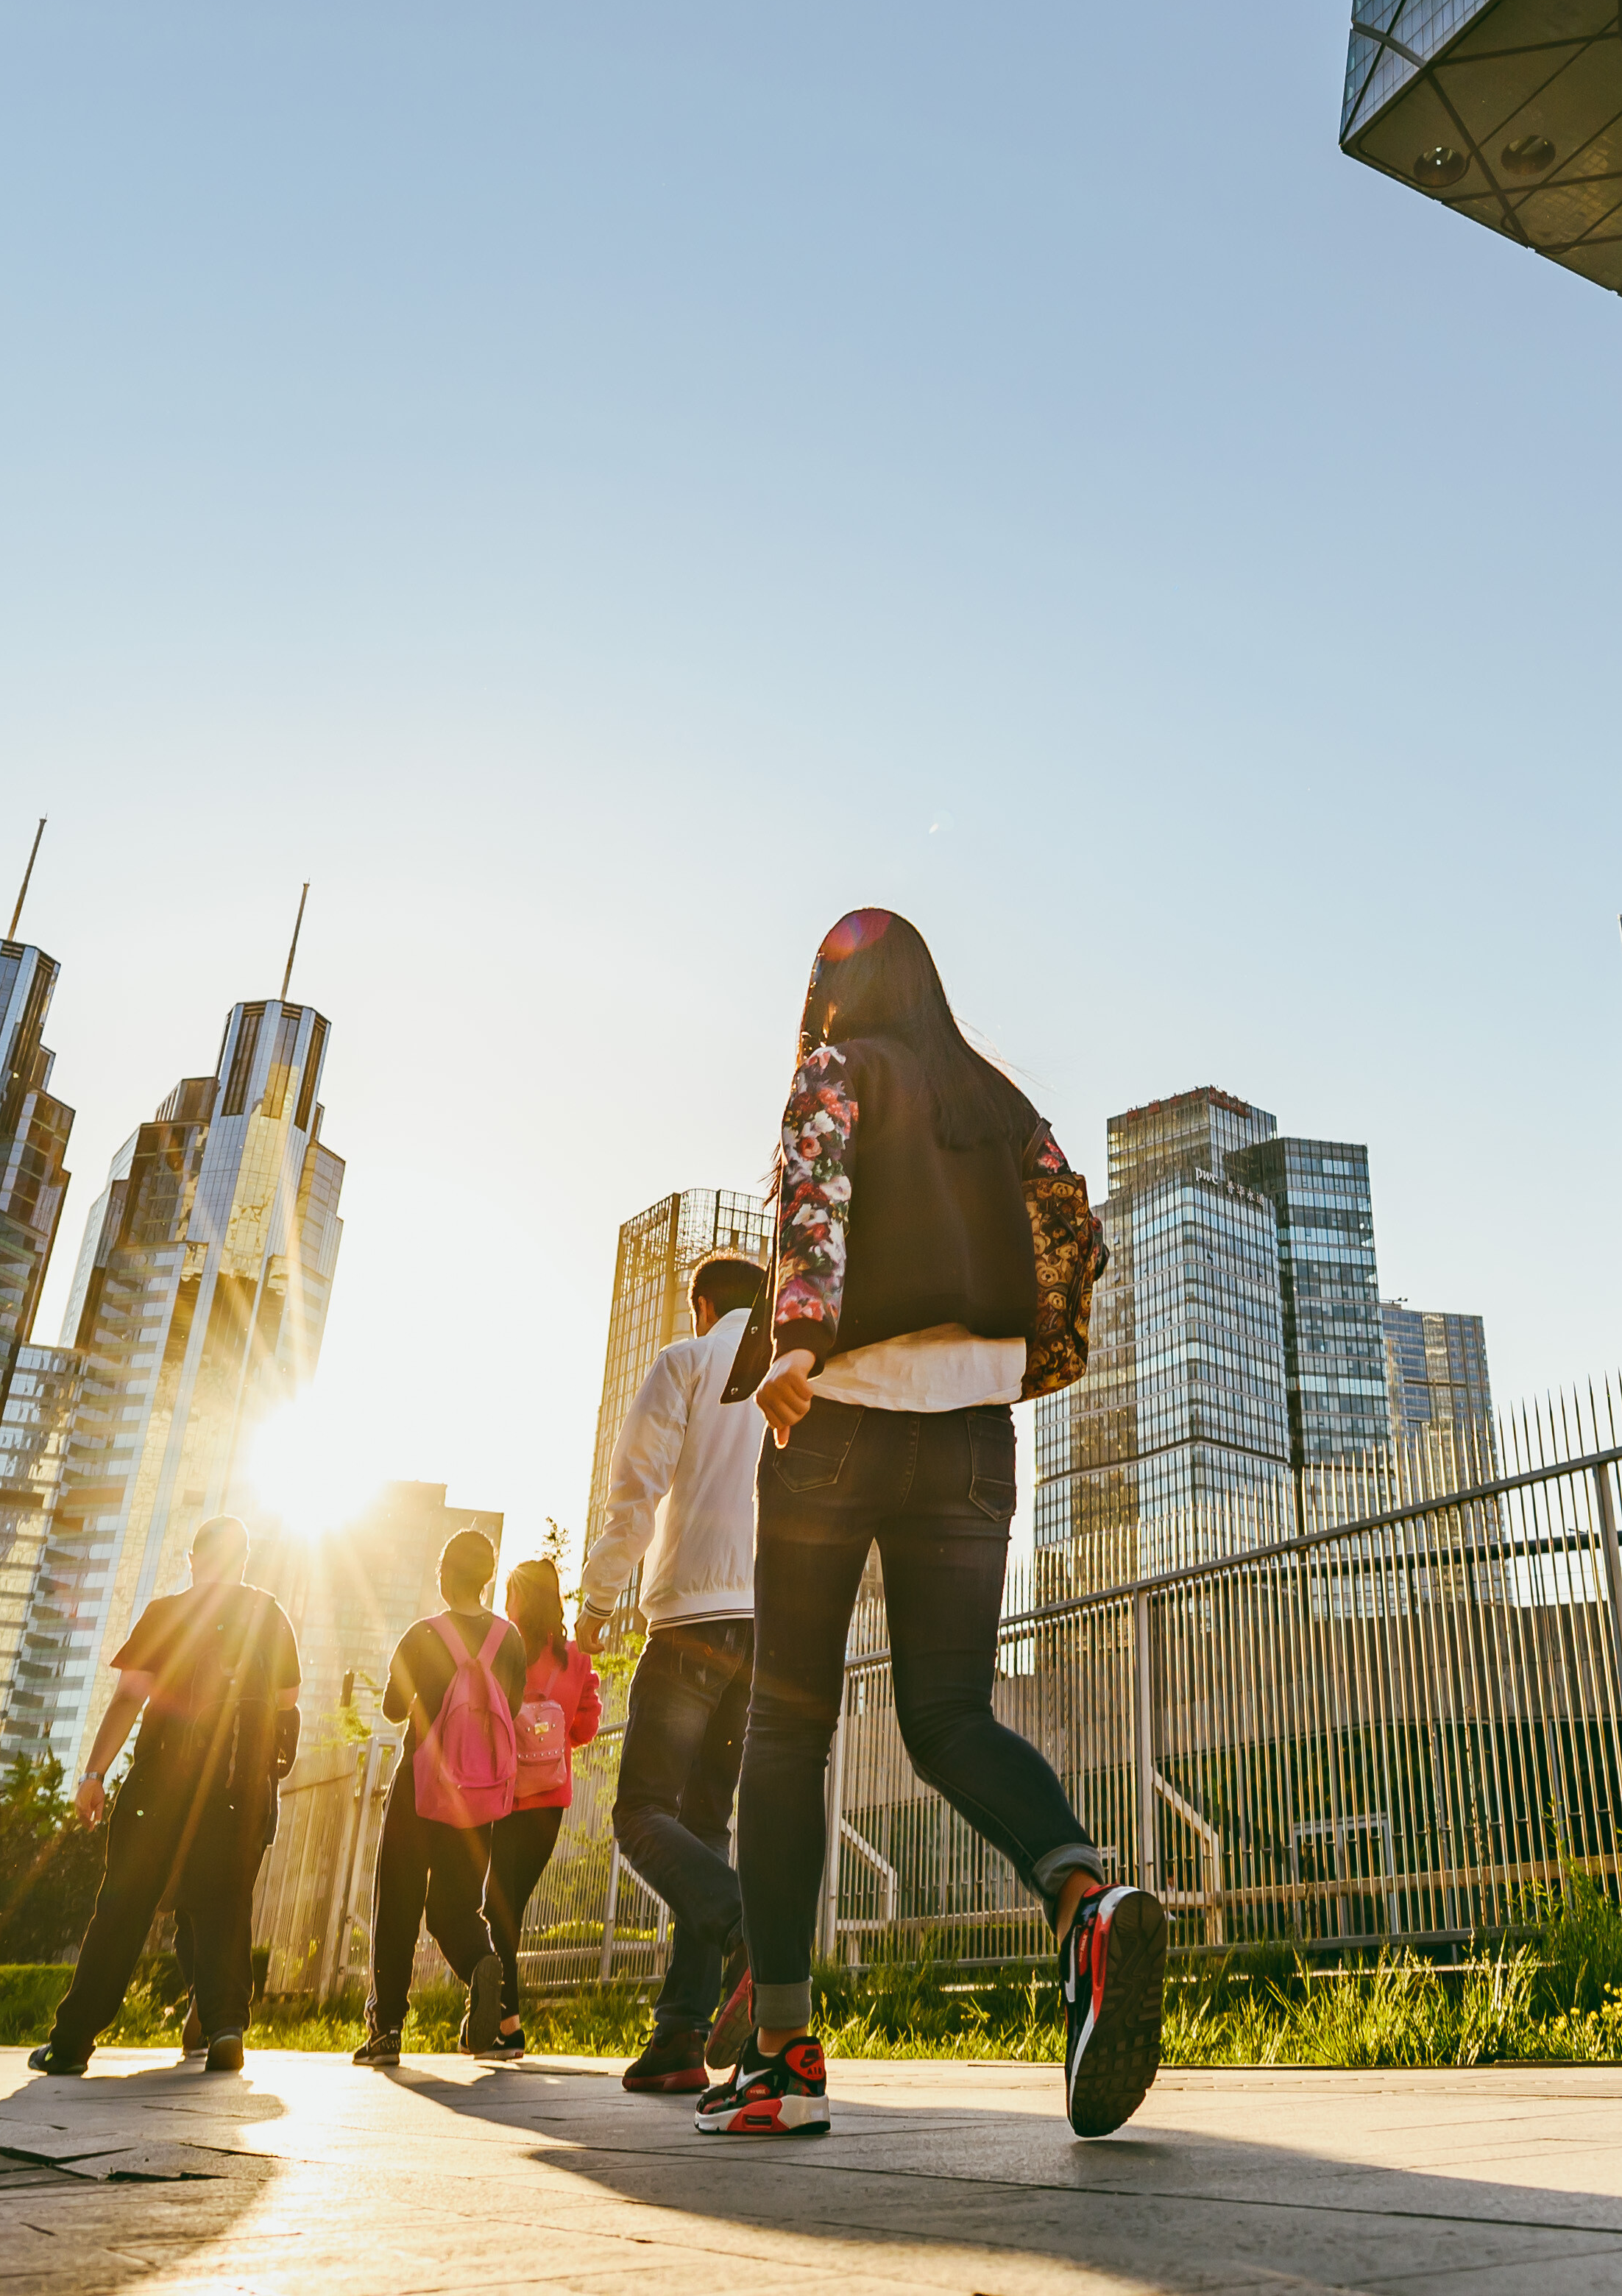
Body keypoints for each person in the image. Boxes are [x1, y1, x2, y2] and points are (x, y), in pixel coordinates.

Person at [706, 908, 1161, 2144]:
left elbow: (812, 1199)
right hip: (970, 1433)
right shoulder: (999, 1099)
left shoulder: (833, 1072)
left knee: (788, 1724)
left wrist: (797, 1340)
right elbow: (1073, 1222)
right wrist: (1032, 1357)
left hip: (838, 1412)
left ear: (835, 990)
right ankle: (1084, 1898)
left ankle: (782, 2060)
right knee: (951, 1715)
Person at [31, 1511, 301, 2077]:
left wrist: (94, 1775)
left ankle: (73, 2042)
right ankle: (226, 2027)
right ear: (243, 1562)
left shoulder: (168, 1613)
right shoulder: (267, 1612)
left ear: (194, 1560)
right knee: (225, 1900)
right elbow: (287, 1697)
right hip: (234, 1787)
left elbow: (130, 1696)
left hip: (160, 1781)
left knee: (123, 1904)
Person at [587, 1249, 768, 2094]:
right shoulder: (795, 1371)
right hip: (765, 1628)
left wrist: (591, 1604)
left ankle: (746, 1929)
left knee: (640, 1813)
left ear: (701, 1305)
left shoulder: (686, 1361)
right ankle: (678, 2036)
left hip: (693, 1619)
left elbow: (635, 1492)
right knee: (705, 1821)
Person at [355, 1527, 521, 2069]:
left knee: (398, 1900)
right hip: (480, 1791)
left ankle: (386, 2031)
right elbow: (512, 1710)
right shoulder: (510, 1640)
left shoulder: (423, 1634)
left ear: (444, 1574)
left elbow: (393, 1710)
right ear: (490, 1576)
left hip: (420, 1785)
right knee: (455, 1906)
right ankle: (479, 1962)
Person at [483, 1553, 605, 2049]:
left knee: (497, 1906)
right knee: (509, 1906)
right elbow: (586, 1724)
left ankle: (506, 2021)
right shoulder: (576, 1659)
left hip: (502, 1798)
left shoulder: (501, 1649)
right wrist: (549, 1742)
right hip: (550, 1802)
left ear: (517, 1599)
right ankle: (504, 2020)